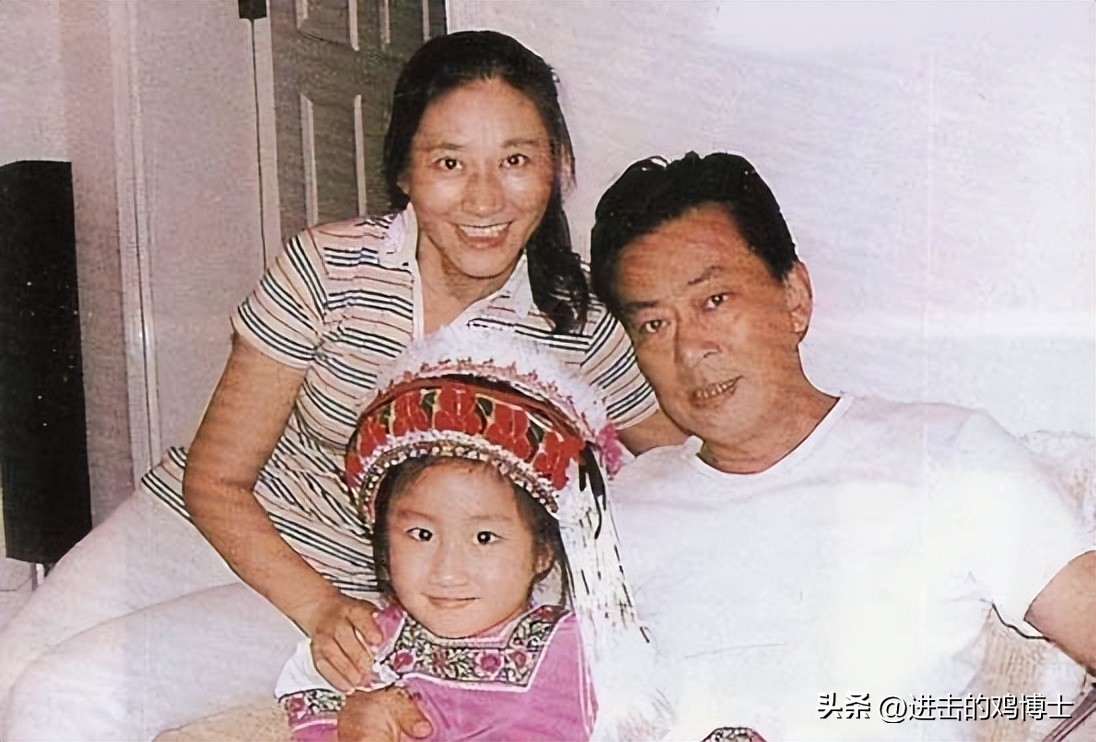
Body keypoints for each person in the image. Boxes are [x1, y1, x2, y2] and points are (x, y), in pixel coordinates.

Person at [0, 30, 681, 740]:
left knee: (67, 694)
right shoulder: (329, 267)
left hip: (347, 587)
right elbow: (216, 478)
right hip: (200, 528)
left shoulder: (579, 321)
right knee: (10, 667)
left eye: (516, 160)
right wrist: (316, 609)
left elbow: (678, 461)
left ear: (558, 166)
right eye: (449, 162)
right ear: (404, 172)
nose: (484, 199)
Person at [585, 151, 1096, 740]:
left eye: (714, 301)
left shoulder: (947, 454)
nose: (689, 349)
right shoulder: (612, 516)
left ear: (794, 298)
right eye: (654, 324)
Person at [275, 325, 676, 741]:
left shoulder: (586, 654)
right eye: (421, 534)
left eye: (484, 538)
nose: (447, 571)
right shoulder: (362, 647)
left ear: (542, 551)